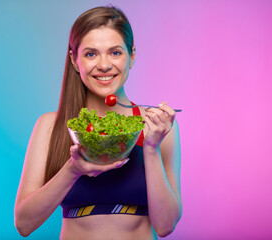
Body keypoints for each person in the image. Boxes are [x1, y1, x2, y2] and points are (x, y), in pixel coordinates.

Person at [14, 6, 182, 240]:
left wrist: (151, 148)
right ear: (74, 60)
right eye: (91, 54)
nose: (104, 65)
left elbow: (165, 226)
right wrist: (73, 170)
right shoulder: (51, 126)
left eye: (115, 53)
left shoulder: (157, 125)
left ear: (131, 56)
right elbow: (24, 224)